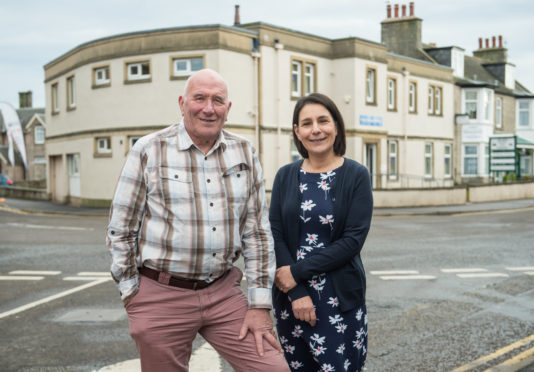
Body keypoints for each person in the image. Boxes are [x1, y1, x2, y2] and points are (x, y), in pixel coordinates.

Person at [106, 69, 289, 372]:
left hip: (222, 292)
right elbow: (121, 229)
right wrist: (131, 293)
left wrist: (259, 305)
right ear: (182, 103)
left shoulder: (244, 151)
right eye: (199, 98)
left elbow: (256, 233)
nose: (208, 108)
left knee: (273, 368)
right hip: (161, 295)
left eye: (217, 100)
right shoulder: (149, 149)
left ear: (227, 109)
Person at [269, 93, 373, 372]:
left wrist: (296, 274)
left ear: (336, 126)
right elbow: (276, 234)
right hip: (290, 297)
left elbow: (352, 241)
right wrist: (296, 290)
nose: (316, 129)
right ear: (297, 132)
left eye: (323, 121)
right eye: (306, 123)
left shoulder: (356, 175)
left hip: (338, 299)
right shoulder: (285, 176)